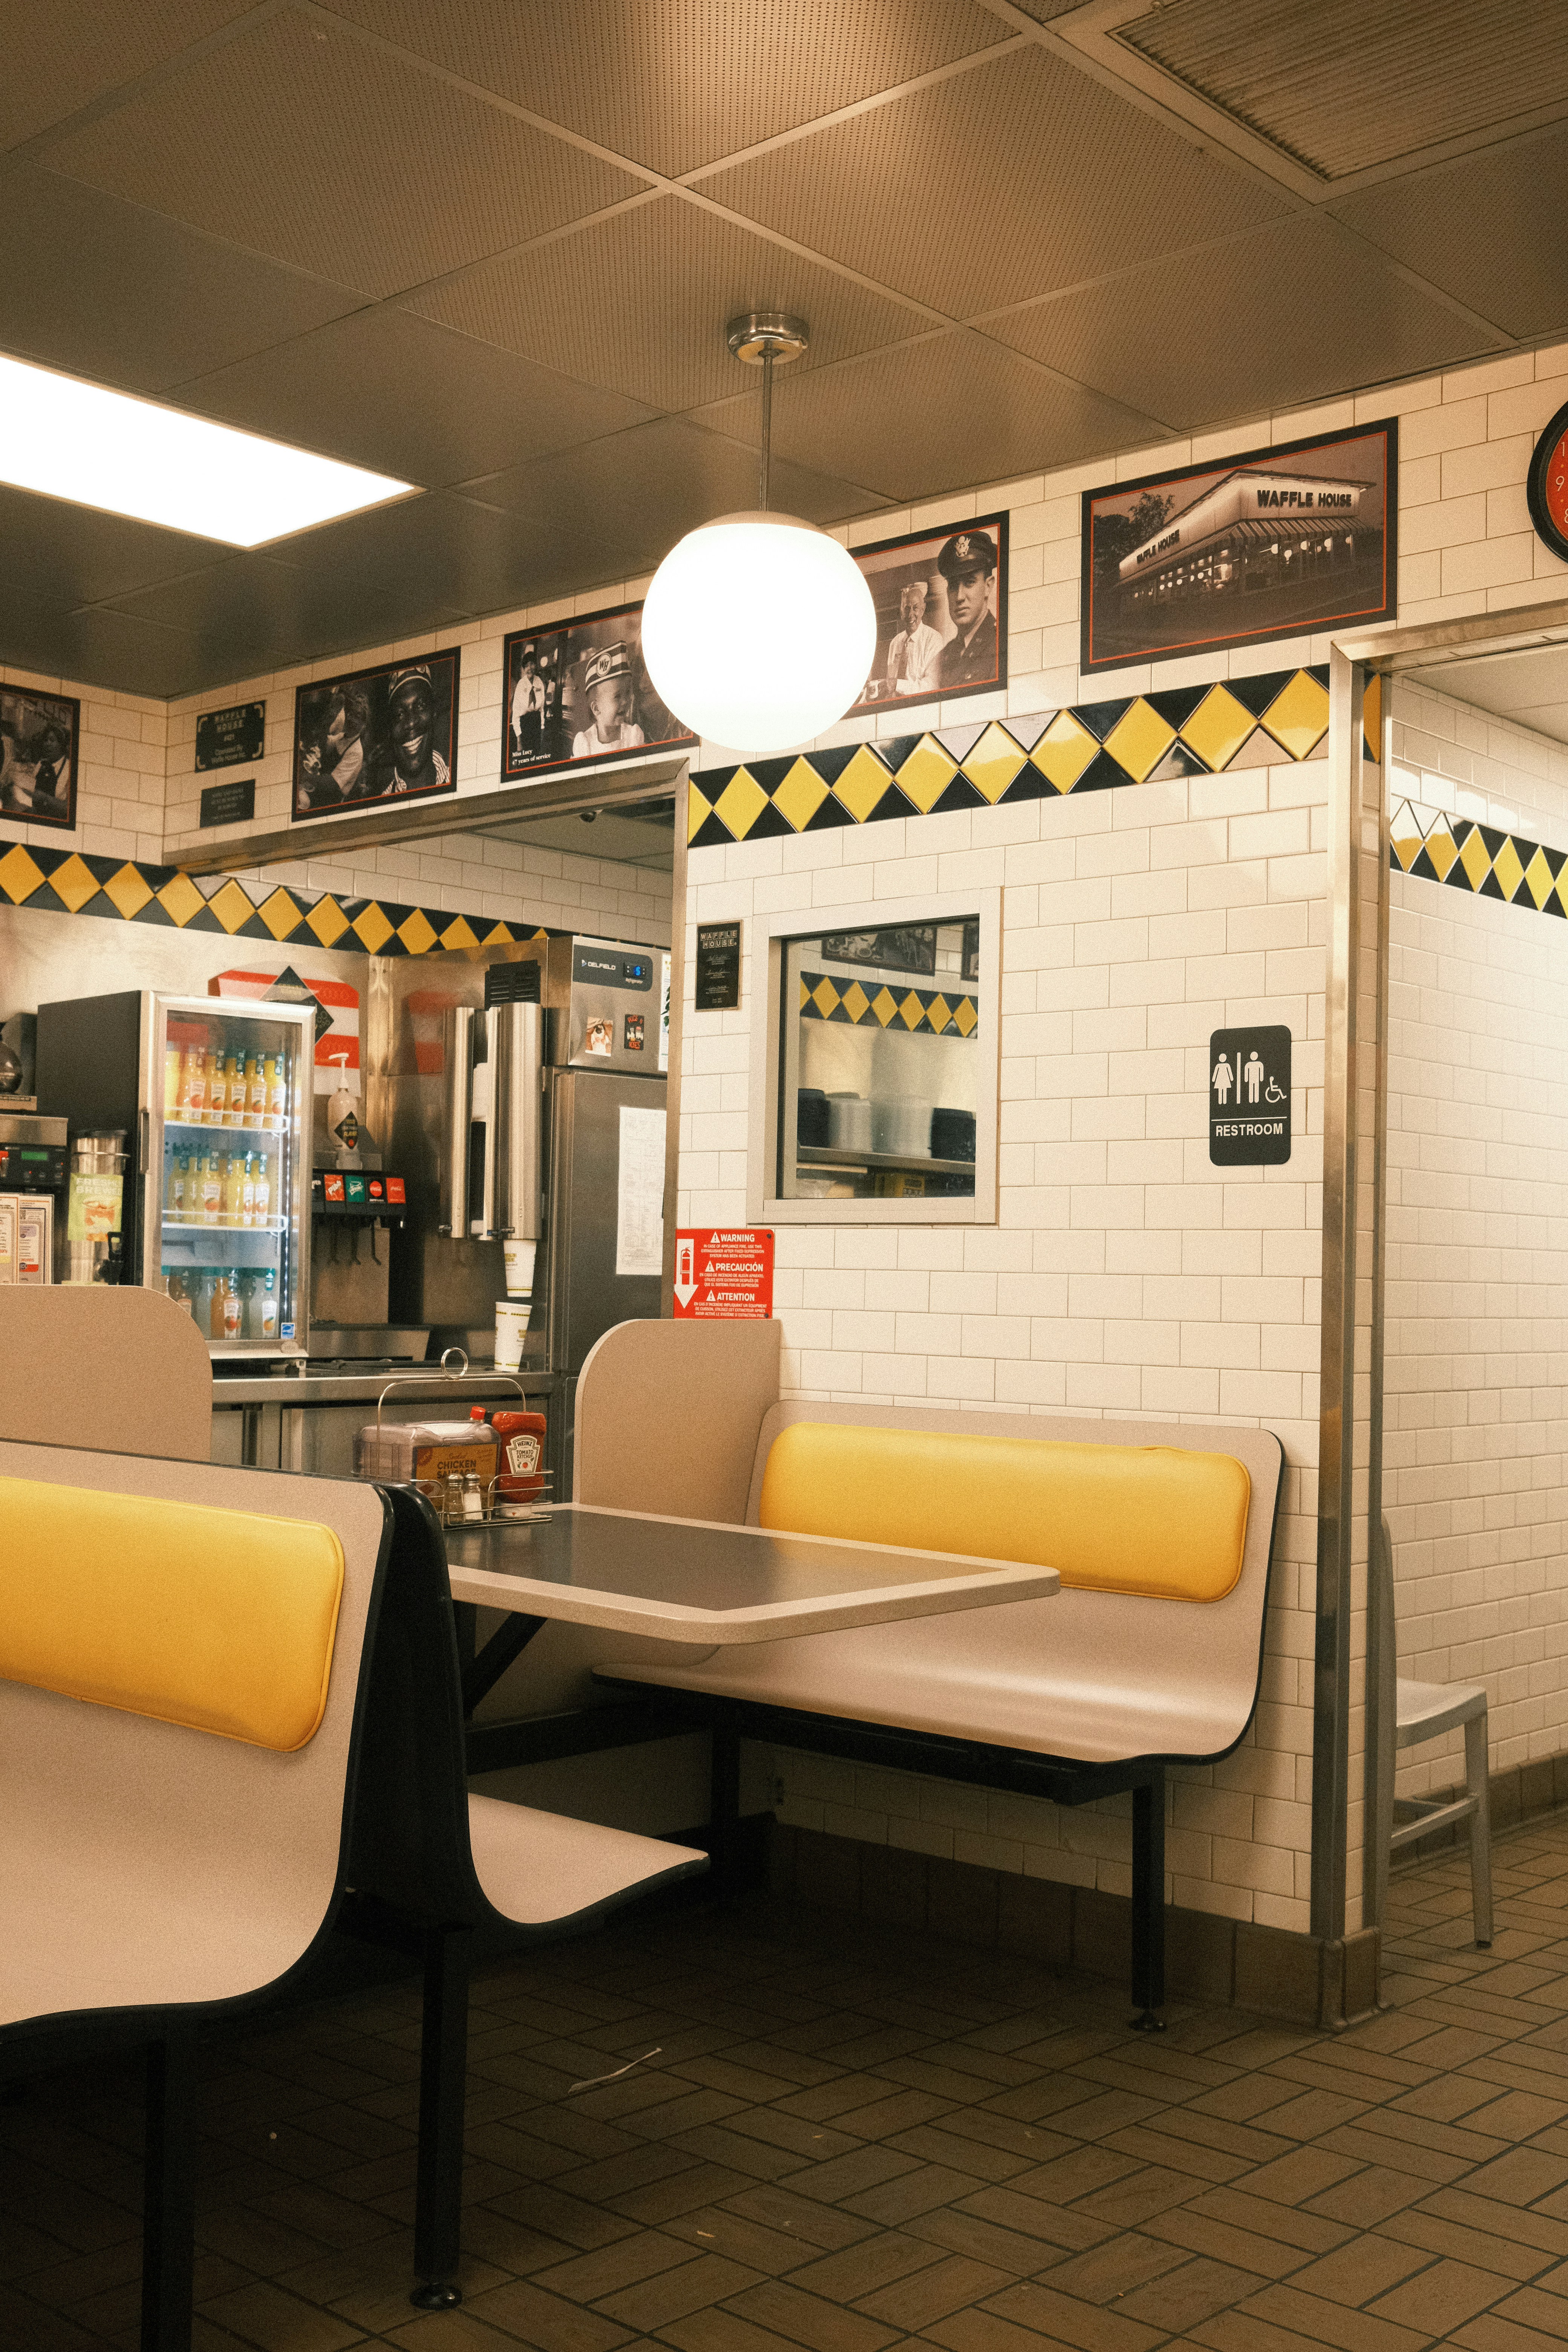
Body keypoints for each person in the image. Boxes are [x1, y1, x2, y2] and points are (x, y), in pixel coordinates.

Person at [935, 530, 999, 691]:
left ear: (988, 586)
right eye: (953, 586)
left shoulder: (999, 645)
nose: (959, 597)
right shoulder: (942, 658)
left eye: (969, 583)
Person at [297, 682, 375, 810]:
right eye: (352, 714)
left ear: (363, 725)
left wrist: (306, 777)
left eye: (358, 717)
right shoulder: (342, 737)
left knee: (301, 804)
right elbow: (323, 743)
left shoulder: (356, 752)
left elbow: (333, 784)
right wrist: (328, 717)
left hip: (330, 801)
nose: (352, 720)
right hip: (321, 789)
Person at [377, 665, 449, 797]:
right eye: (399, 714)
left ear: (434, 713)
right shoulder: (382, 806)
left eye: (421, 706)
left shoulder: (463, 780)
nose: (410, 723)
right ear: (390, 730)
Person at [572, 643, 646, 759]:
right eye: (617, 697)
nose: (626, 701)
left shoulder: (633, 736)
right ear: (596, 708)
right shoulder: (585, 743)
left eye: (627, 694)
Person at [885, 580, 942, 695]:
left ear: (923, 609)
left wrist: (898, 685)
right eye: (907, 609)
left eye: (915, 608)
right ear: (902, 611)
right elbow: (889, 682)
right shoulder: (895, 643)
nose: (910, 615)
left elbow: (931, 687)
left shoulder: (934, 639)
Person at [510, 645, 546, 764]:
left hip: (536, 723)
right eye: (526, 666)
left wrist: (542, 729)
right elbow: (515, 713)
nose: (529, 668)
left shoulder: (540, 682)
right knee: (524, 760)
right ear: (524, 669)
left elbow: (542, 710)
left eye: (532, 664)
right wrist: (519, 739)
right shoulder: (521, 685)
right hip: (524, 724)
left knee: (536, 757)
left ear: (536, 666)